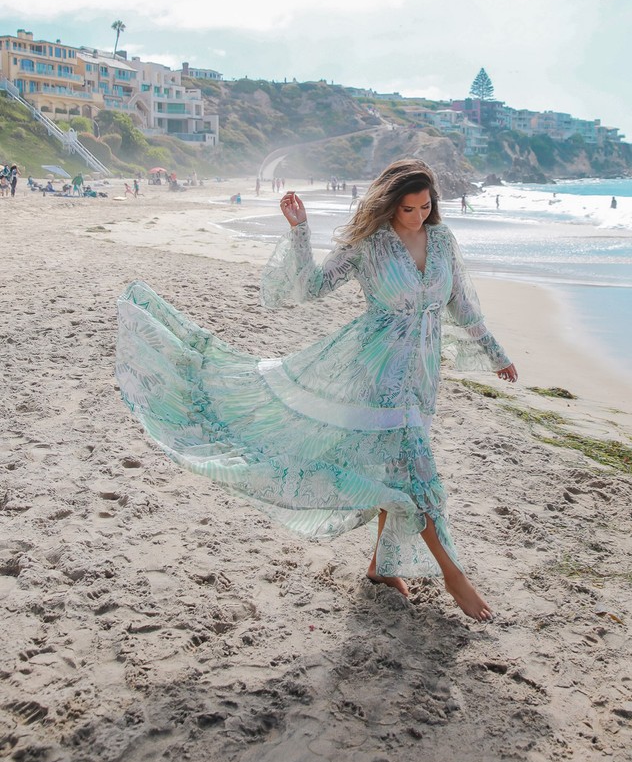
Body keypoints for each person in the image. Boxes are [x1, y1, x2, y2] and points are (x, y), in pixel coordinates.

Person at [116, 158, 516, 621]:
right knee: (416, 471)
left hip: (423, 378)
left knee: (392, 470)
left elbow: (462, 306)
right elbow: (309, 286)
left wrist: (496, 353)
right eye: (409, 208)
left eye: (426, 206)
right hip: (375, 376)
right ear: (389, 205)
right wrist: (300, 230)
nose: (419, 215)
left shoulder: (443, 240)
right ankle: (454, 577)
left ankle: (382, 569)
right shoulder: (369, 245)